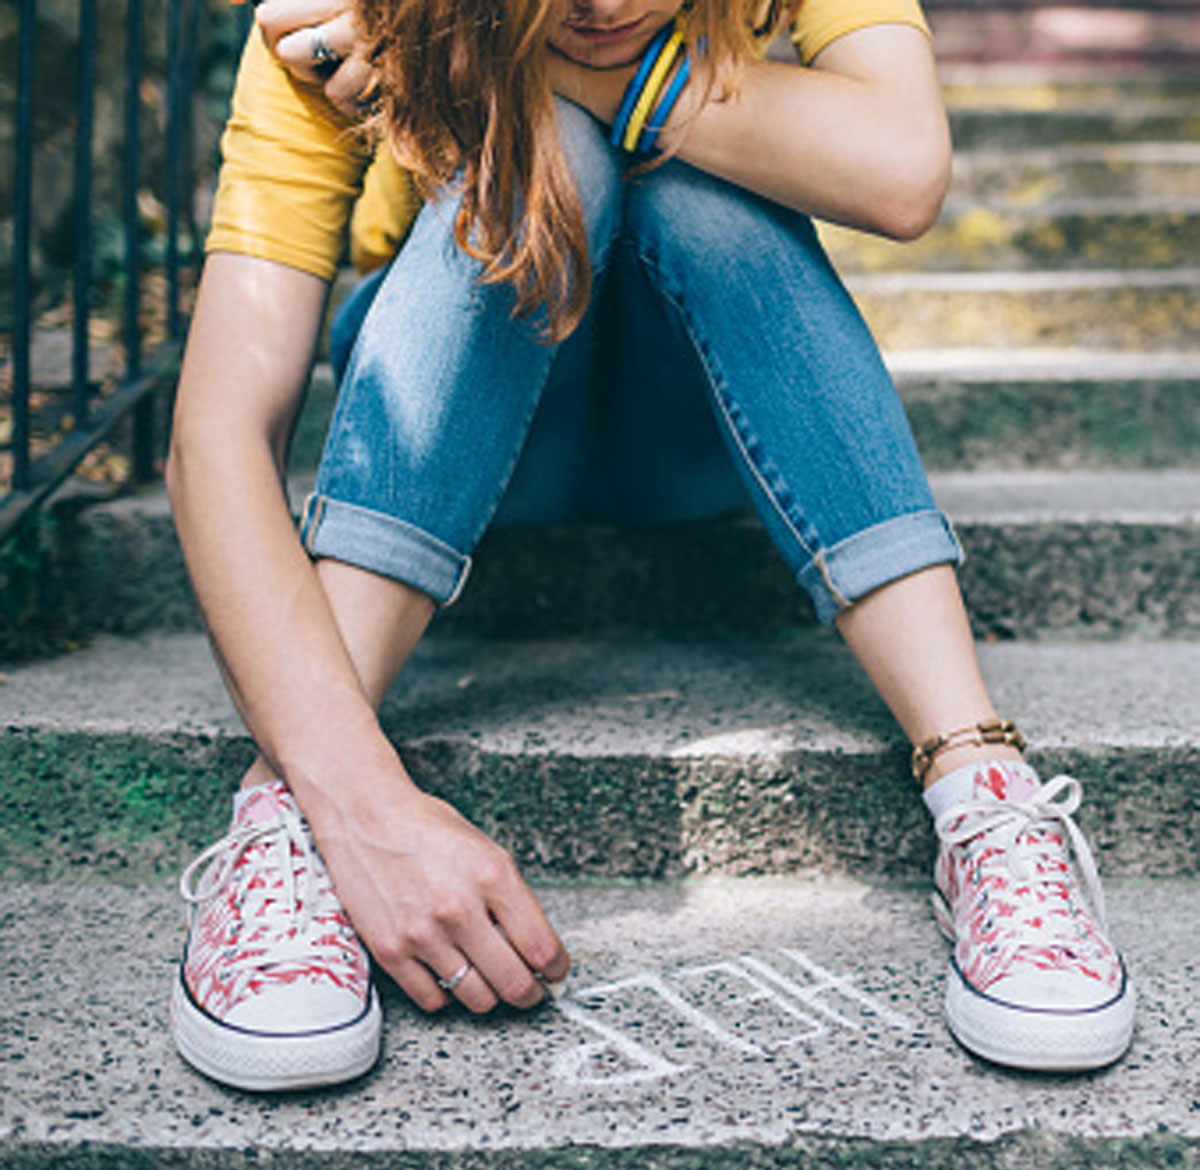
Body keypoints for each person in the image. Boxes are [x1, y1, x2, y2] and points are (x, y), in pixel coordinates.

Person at [165, 0, 1134, 1092]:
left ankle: (981, 783)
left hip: (704, 431)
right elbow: (213, 436)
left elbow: (904, 170)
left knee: (693, 171)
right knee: (551, 160)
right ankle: (293, 812)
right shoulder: (346, 18)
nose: (599, 4)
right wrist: (364, 804)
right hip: (482, 432)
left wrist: (513, 71)